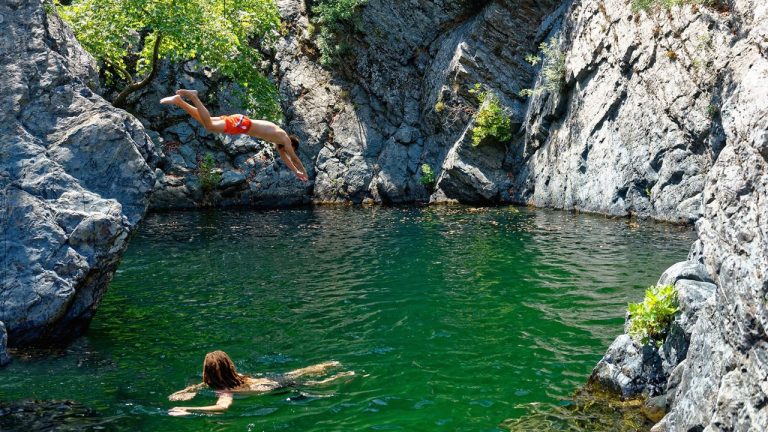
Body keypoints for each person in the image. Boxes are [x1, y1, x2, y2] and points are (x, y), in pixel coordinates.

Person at [161, 89, 309, 182]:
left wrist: (296, 172)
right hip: (242, 124)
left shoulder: (279, 142)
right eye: (292, 148)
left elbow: (286, 159)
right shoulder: (284, 138)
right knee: (209, 125)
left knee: (205, 121)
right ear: (292, 144)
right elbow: (293, 158)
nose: (289, 151)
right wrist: (304, 171)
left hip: (241, 123)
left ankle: (179, 101)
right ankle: (194, 97)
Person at [168, 351, 353, 416]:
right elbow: (207, 383)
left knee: (315, 385)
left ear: (206, 371)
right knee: (299, 373)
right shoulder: (236, 376)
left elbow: (222, 408)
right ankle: (328, 365)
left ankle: (342, 377)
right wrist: (189, 389)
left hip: (275, 388)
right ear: (229, 365)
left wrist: (188, 409)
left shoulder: (224, 390)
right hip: (271, 379)